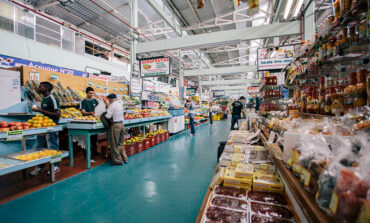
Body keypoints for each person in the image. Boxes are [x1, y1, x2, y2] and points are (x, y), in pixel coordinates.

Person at [30, 82, 61, 176]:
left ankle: (56, 165)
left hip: (52, 127)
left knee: (52, 146)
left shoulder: (53, 98)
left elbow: (58, 114)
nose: (38, 87)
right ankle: (40, 166)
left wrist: (40, 110)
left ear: (46, 88)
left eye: (40, 86)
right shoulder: (44, 99)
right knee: (39, 146)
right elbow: (45, 113)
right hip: (43, 126)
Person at [105, 94, 128, 165]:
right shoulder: (119, 104)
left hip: (115, 126)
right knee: (120, 143)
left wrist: (104, 114)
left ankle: (118, 160)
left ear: (110, 99)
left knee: (114, 144)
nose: (108, 101)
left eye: (108, 100)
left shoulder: (111, 105)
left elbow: (108, 116)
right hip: (122, 125)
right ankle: (125, 158)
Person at [80, 87, 100, 157]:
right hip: (86, 122)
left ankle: (94, 151)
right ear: (86, 93)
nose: (91, 94)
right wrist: (90, 113)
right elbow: (83, 112)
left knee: (94, 137)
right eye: (90, 93)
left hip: (94, 121)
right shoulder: (83, 101)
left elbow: (98, 109)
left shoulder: (95, 100)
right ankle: (86, 153)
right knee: (86, 138)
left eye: (93, 93)